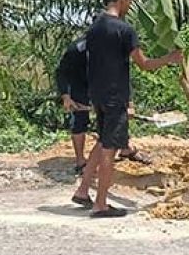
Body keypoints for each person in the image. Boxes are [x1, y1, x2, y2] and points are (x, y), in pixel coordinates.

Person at [71, 0, 182, 217]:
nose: (130, 5)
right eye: (130, 1)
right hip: (114, 97)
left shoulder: (94, 28)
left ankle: (83, 191)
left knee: (103, 141)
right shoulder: (124, 29)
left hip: (98, 94)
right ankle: (101, 204)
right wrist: (170, 58)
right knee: (110, 149)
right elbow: (144, 64)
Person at [55, 36, 152, 174]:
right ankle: (81, 162)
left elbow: (122, 76)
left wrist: (129, 103)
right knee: (79, 119)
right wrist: (66, 96)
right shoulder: (76, 49)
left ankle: (126, 149)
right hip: (79, 84)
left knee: (117, 114)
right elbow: (61, 72)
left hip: (103, 84)